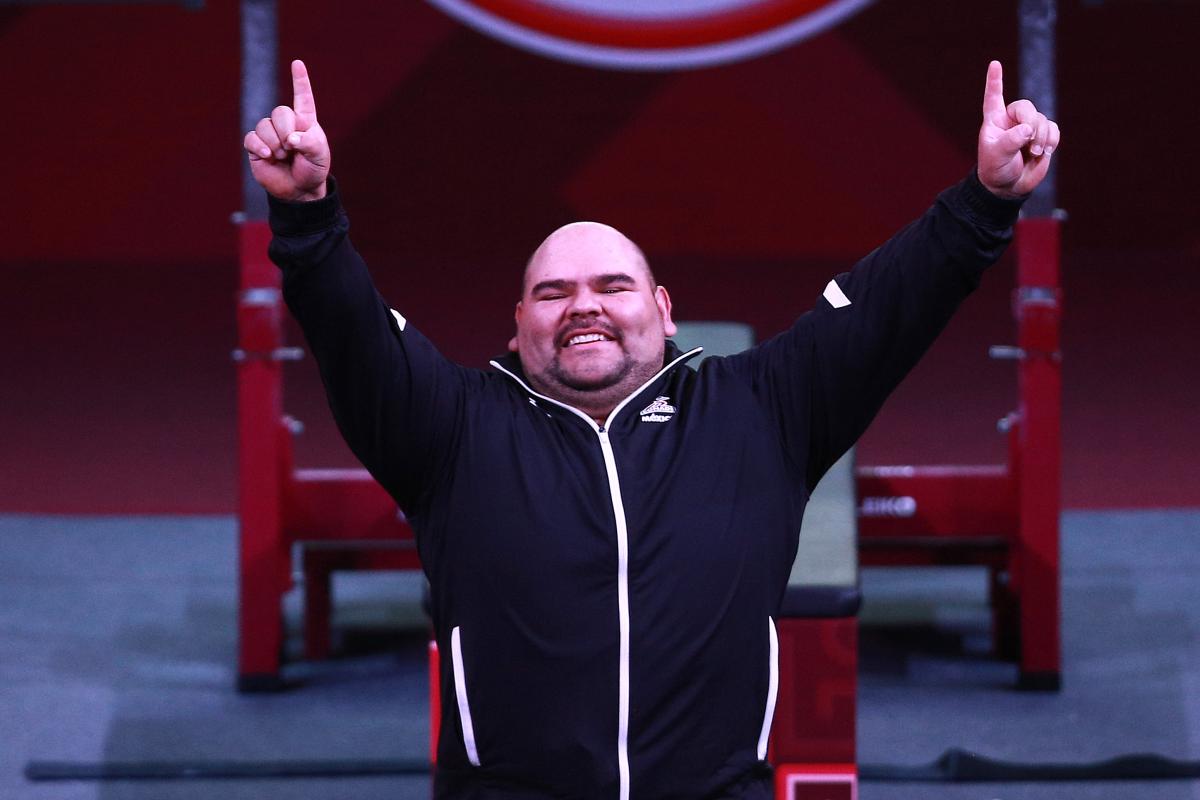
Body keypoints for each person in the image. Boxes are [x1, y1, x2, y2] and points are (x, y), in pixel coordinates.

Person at [245, 59, 1059, 800]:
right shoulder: (452, 430)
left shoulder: (760, 412)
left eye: (612, 285)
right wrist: (309, 218)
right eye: (555, 293)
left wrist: (984, 203)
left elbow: (887, 308)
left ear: (663, 309)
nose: (585, 306)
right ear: (519, 321)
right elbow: (353, 333)